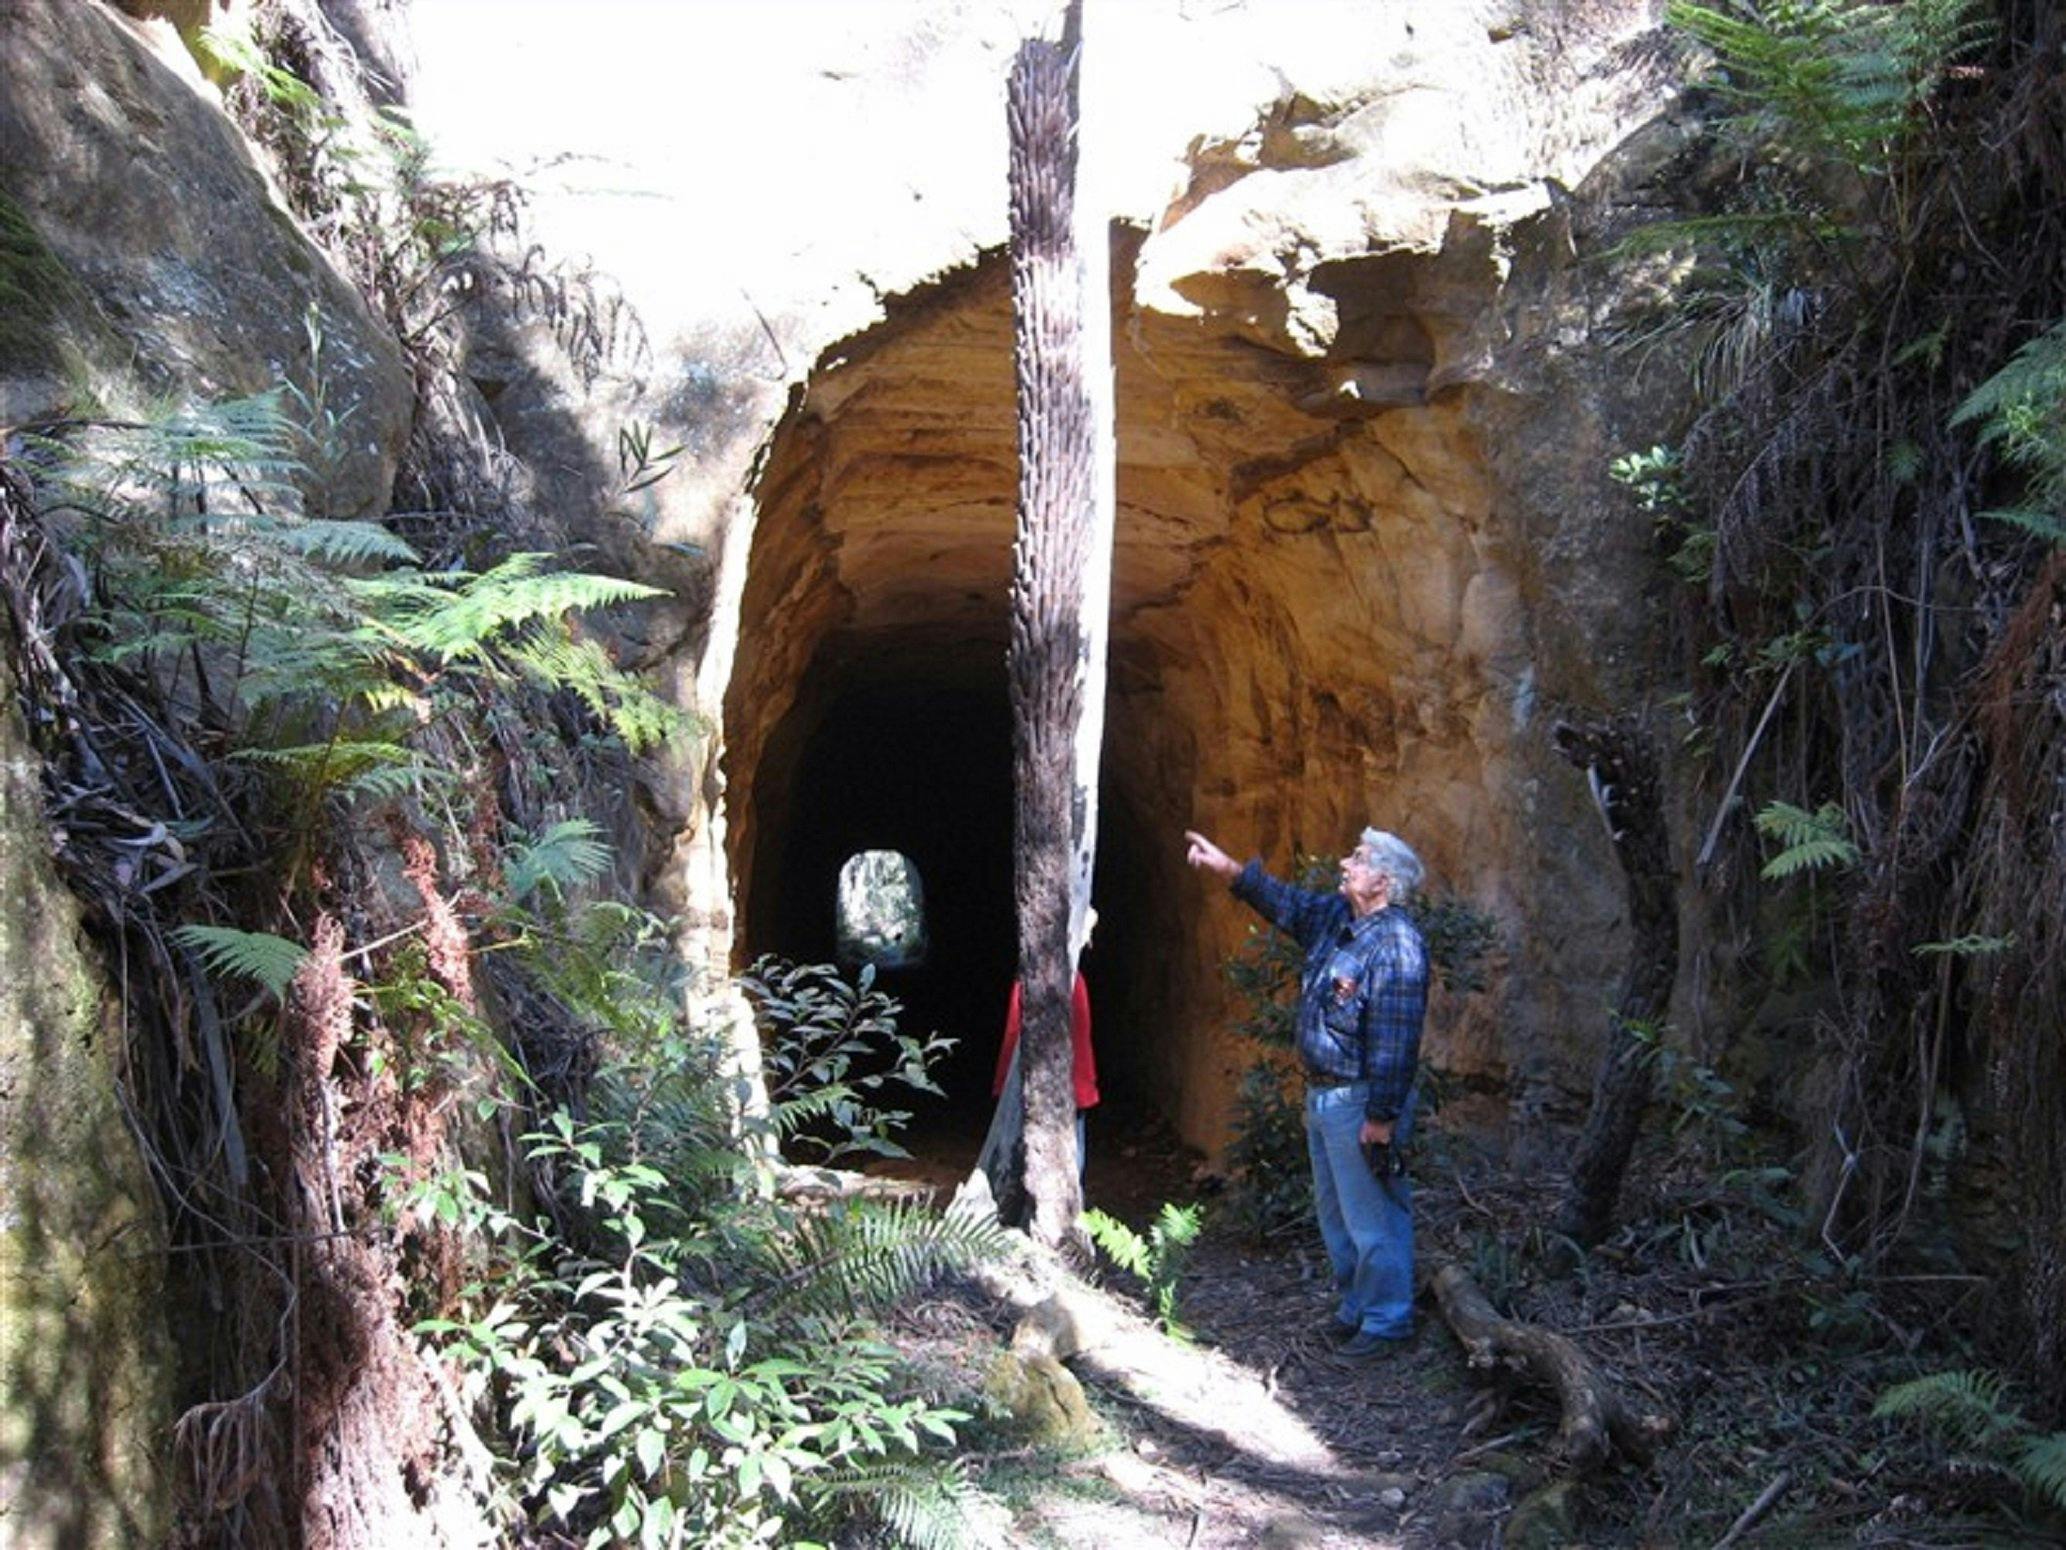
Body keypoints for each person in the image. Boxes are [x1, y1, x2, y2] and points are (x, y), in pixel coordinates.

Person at [1185, 826, 1429, 1357]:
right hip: (1325, 1098)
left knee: (1374, 1215)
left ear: (1383, 881)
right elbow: (1287, 903)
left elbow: (1397, 1038)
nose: (1345, 863)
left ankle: (1388, 1322)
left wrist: (1382, 1117)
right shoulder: (1341, 920)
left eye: (1359, 860)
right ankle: (1356, 1308)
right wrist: (1229, 868)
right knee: (1338, 1214)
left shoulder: (1397, 943)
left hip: (1361, 1100)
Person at [992, 912, 1100, 1176]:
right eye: (1086, 934)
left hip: (1055, 1087)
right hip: (1062, 1088)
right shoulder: (1063, 983)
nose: (1088, 941)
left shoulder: (1032, 981)